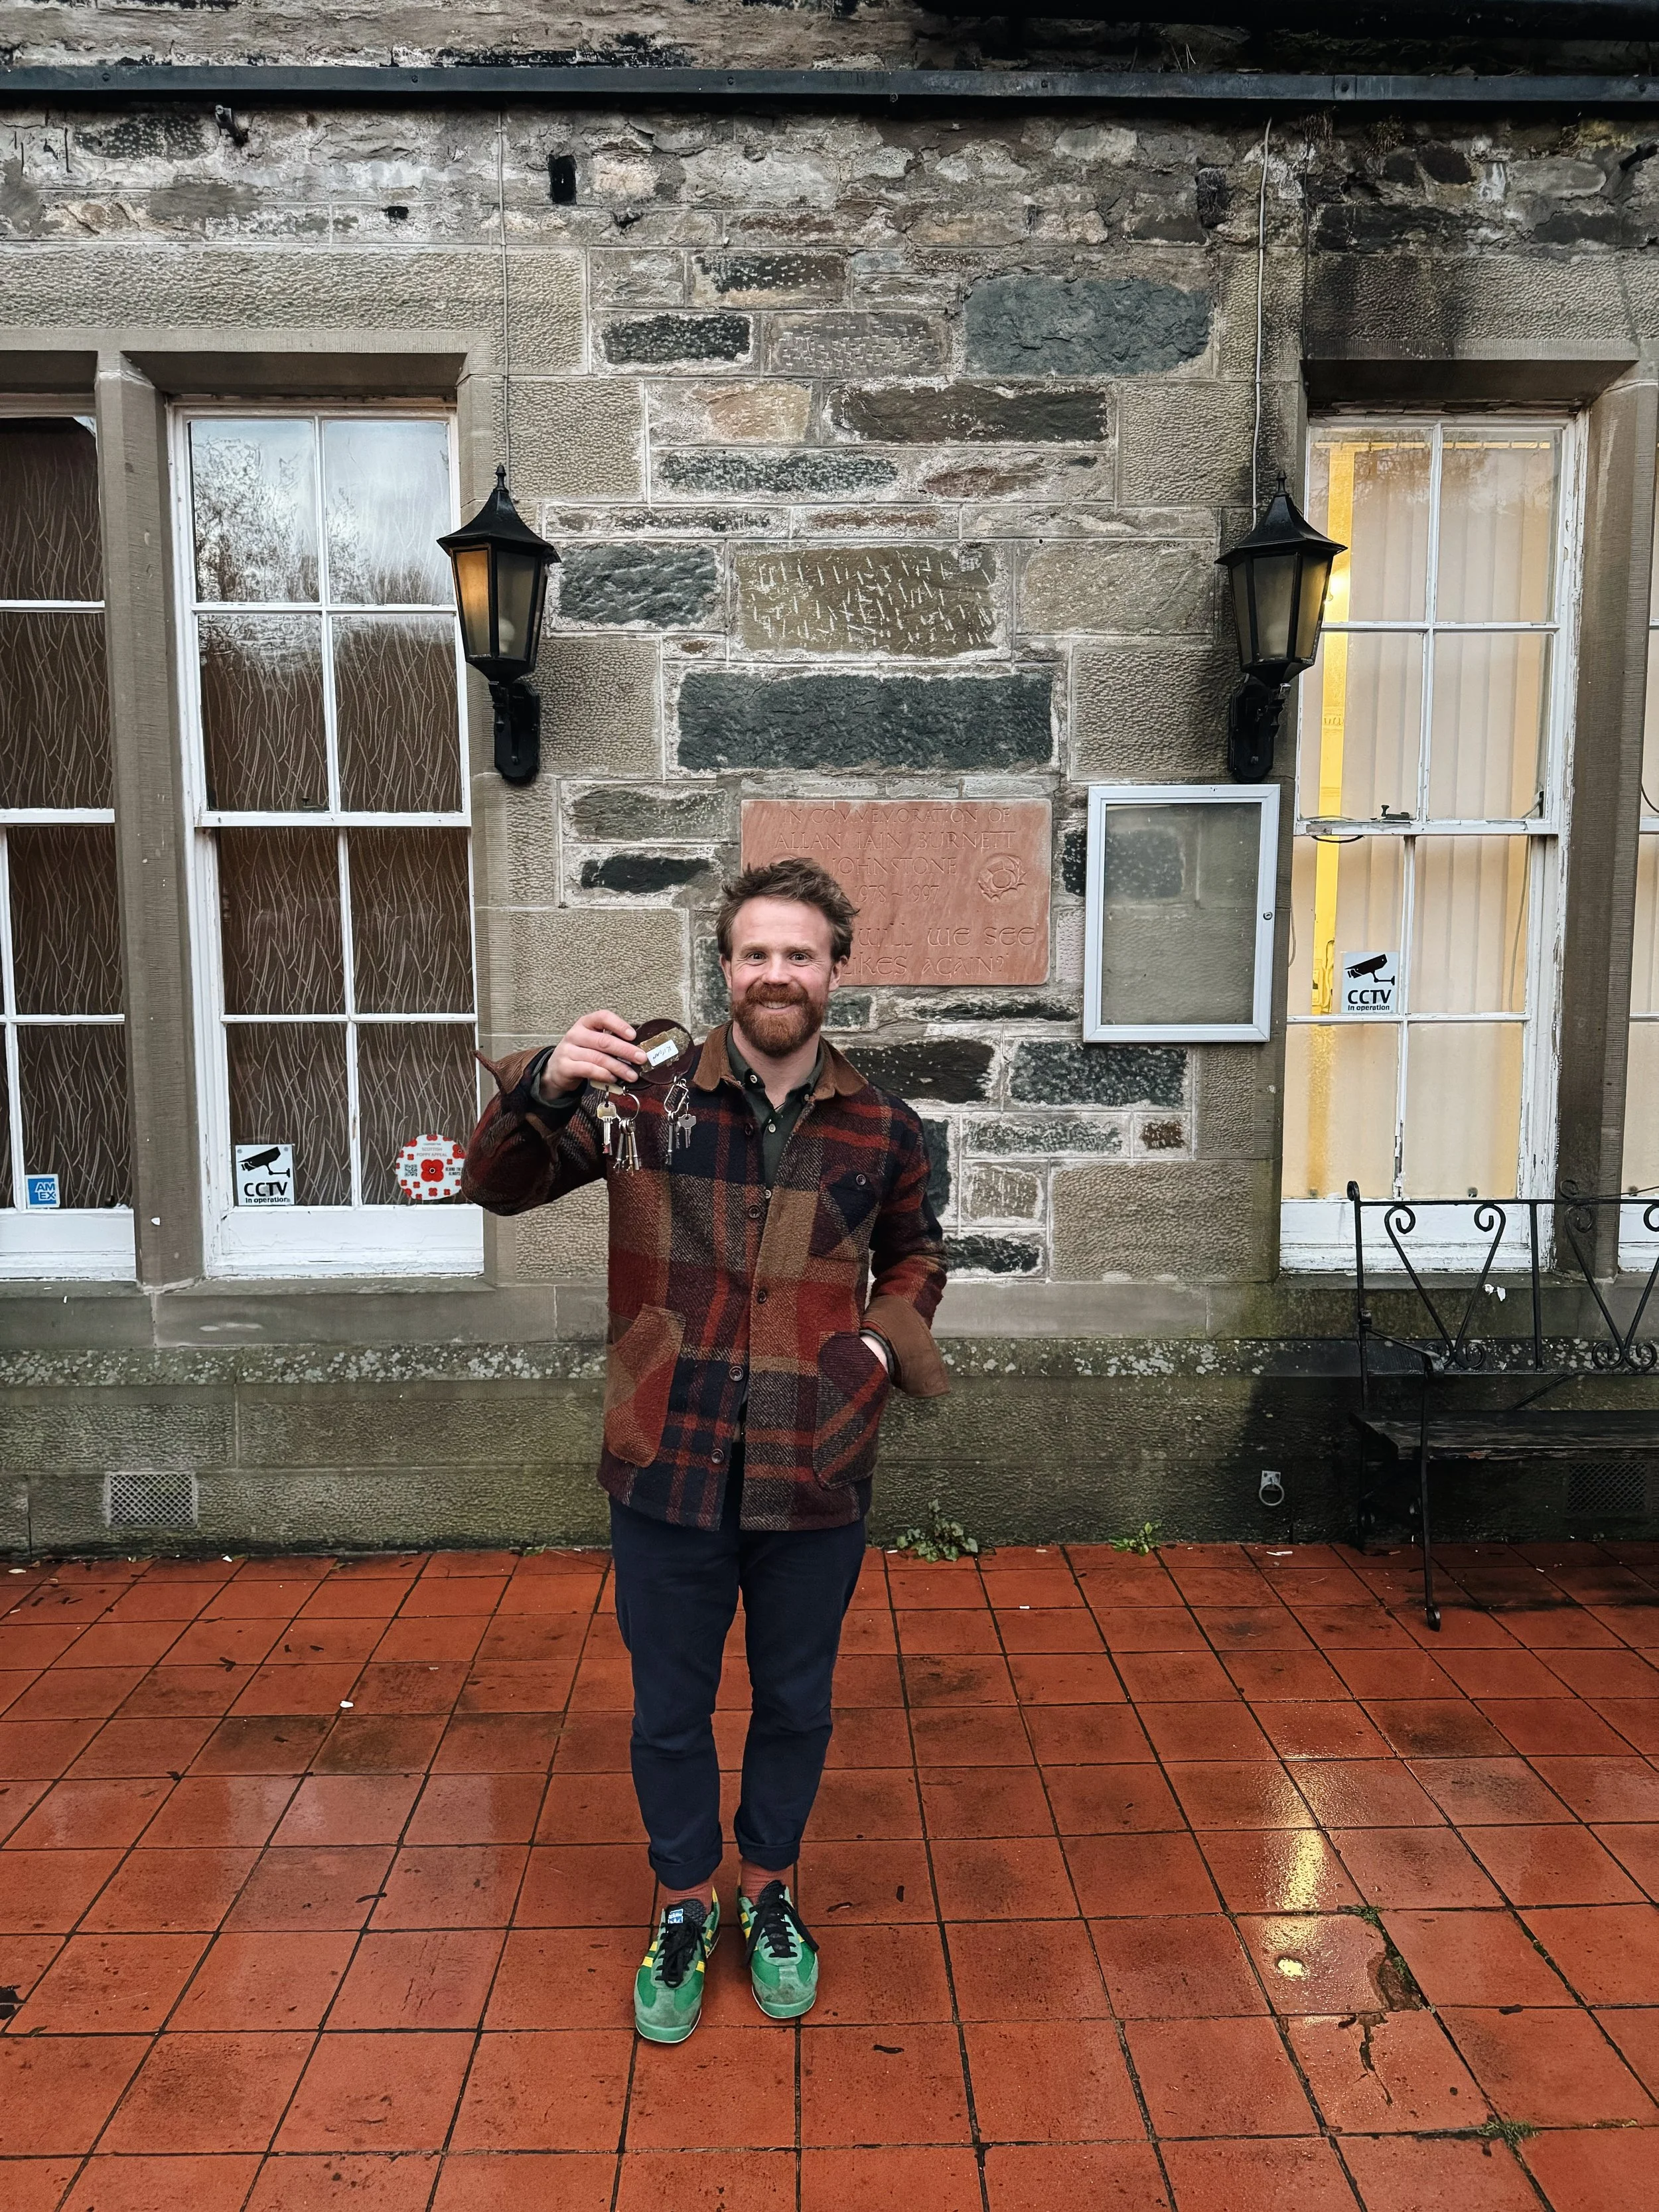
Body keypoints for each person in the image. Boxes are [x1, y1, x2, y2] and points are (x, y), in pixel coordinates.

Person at [461, 856, 948, 2043]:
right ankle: (686, 1901)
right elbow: (498, 1185)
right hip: (664, 1453)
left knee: (796, 1702)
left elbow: (917, 1255)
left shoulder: (885, 1127)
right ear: (726, 968)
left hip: (814, 1460)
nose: (776, 973)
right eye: (755, 953)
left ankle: (770, 1890)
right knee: (669, 1709)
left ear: (836, 972)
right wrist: (546, 1081)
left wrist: (877, 1353)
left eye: (800, 954)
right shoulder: (644, 1099)